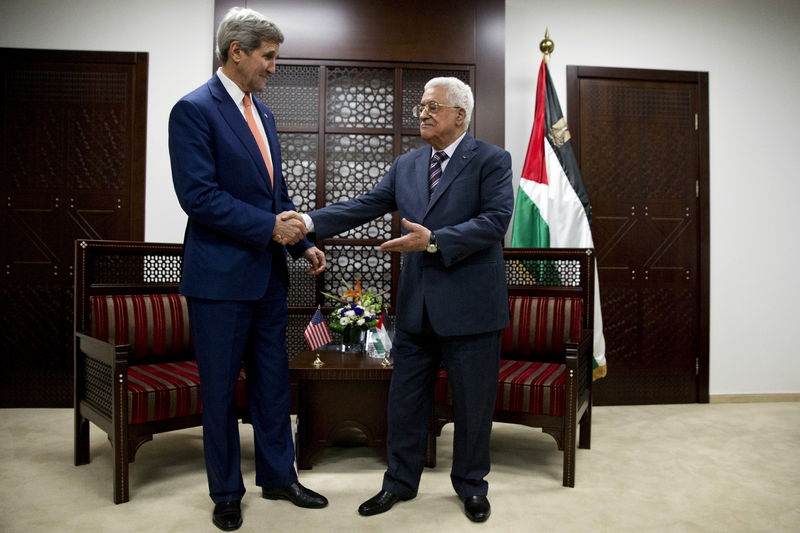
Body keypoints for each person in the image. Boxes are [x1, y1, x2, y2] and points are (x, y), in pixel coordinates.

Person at [302, 77, 513, 523]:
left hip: (472, 309)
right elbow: (365, 204)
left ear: (460, 114)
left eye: (433, 105)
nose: (422, 112)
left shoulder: (492, 160)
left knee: (473, 404)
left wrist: (435, 240)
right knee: (405, 401)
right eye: (421, 104)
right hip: (417, 307)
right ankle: (399, 482)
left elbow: (495, 221)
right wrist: (307, 222)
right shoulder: (407, 164)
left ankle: (471, 485)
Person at [168, 7, 327, 531]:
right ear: (237, 51)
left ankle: (280, 476)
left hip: (268, 276)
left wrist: (301, 244)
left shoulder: (265, 115)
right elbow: (200, 198)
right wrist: (269, 229)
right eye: (269, 56)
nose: (274, 68)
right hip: (218, 279)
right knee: (219, 389)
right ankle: (226, 492)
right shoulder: (193, 109)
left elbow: (275, 197)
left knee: (272, 383)